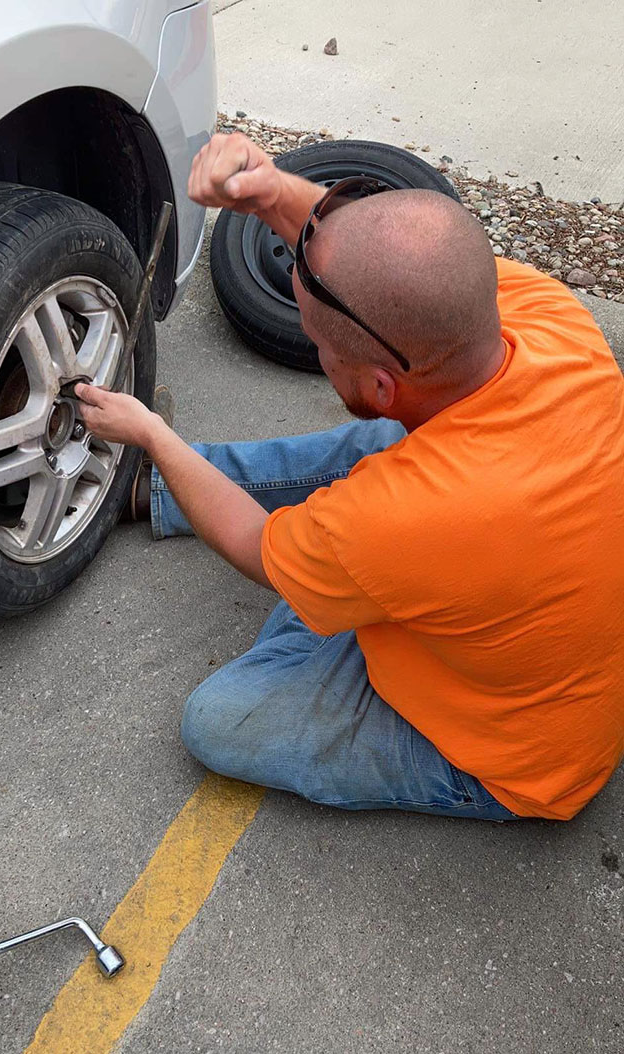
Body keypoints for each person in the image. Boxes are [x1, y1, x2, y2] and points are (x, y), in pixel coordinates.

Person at [76, 132, 624, 822]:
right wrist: (271, 191)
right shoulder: (551, 320)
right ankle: (217, 518)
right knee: (374, 452)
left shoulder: (409, 517)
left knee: (218, 719)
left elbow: (253, 546)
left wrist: (154, 435)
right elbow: (369, 257)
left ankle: (325, 576)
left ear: (380, 381)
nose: (311, 344)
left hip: (522, 761)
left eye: (318, 342)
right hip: (542, 632)